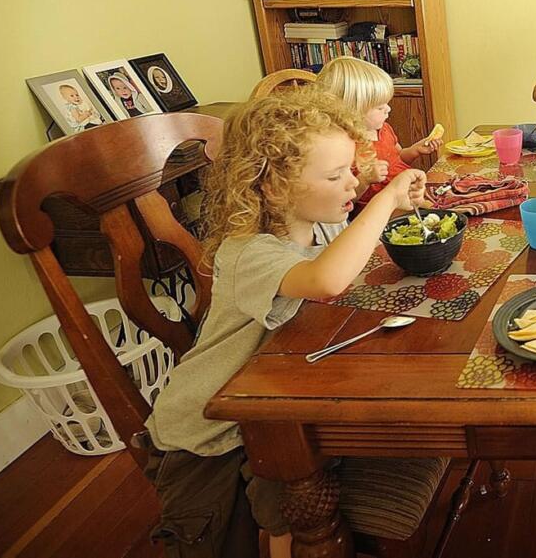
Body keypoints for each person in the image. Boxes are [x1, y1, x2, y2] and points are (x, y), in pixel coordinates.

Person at [141, 87, 432, 558]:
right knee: (212, 545)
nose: (353, 185)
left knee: (289, 509)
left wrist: (392, 205)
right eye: (336, 175)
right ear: (274, 186)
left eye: (351, 170)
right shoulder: (248, 251)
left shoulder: (319, 222)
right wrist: (386, 202)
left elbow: (346, 259)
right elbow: (327, 279)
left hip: (273, 405)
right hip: (206, 432)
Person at [316, 56, 441, 208]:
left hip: (405, 193)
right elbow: (344, 202)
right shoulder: (343, 147)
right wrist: (365, 180)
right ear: (351, 112)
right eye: (380, 107)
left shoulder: (385, 129)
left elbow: (398, 159)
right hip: (376, 209)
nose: (388, 109)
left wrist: (415, 150)